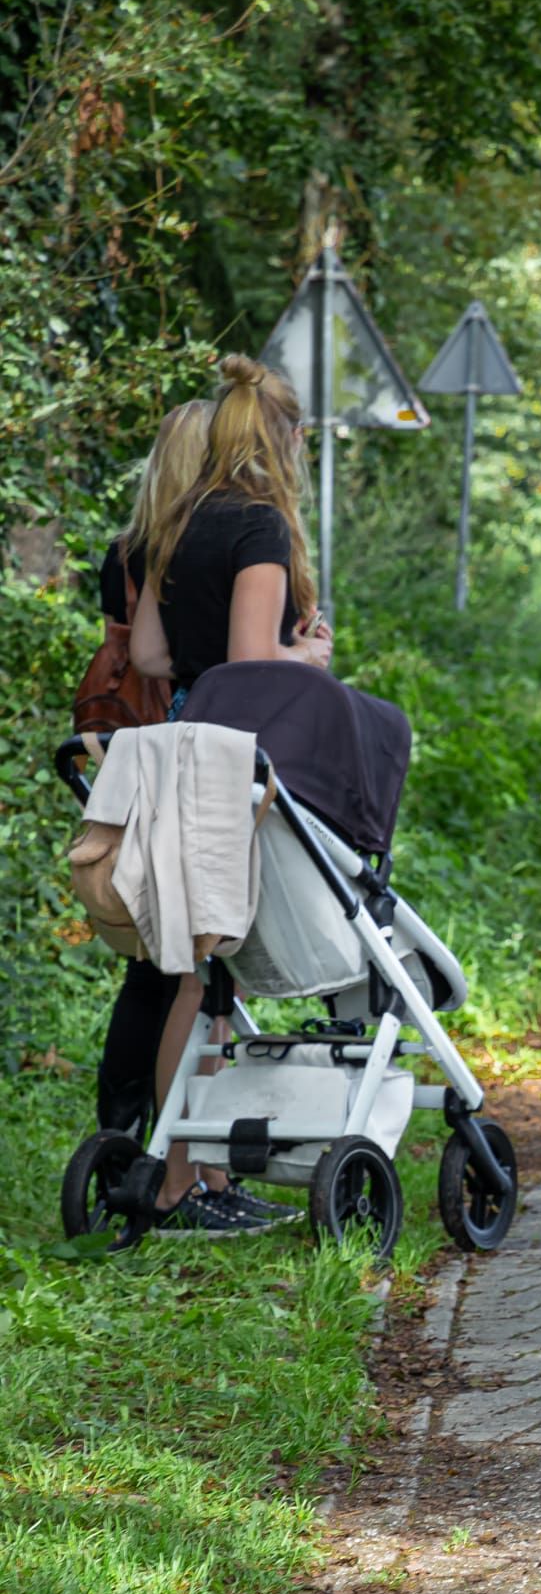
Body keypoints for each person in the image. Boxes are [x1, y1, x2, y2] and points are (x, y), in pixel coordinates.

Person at [128, 353, 332, 1235]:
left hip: (175, 745)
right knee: (203, 984)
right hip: (231, 765)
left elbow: (146, 659)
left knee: (196, 979)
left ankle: (192, 1170)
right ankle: (180, 1180)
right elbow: (254, 660)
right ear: (285, 438)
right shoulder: (259, 526)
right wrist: (310, 660)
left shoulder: (172, 522)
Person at [91, 400, 213, 1142]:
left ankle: (121, 1125)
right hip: (186, 749)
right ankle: (175, 1149)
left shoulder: (125, 550)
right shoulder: (201, 552)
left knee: (149, 957)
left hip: (127, 752)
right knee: (188, 962)